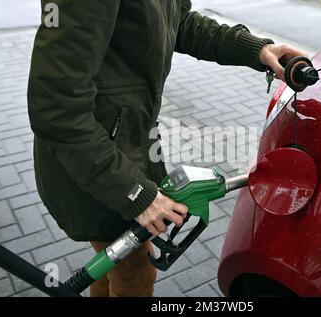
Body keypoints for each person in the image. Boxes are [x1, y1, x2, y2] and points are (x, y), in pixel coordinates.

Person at [27, 0, 305, 297]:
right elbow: (55, 107)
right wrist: (133, 192)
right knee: (134, 273)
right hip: (92, 161)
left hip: (130, 145)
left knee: (113, 267)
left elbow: (180, 24)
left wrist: (256, 50)